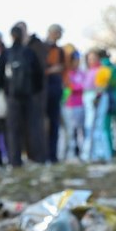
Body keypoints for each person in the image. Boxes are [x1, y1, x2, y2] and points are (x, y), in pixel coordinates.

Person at [0, 22, 47, 165]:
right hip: (29, 96)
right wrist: (34, 90)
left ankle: (14, 159)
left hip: (12, 97)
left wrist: (5, 90)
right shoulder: (29, 53)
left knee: (13, 129)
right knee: (32, 127)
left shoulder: (6, 53)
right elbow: (39, 75)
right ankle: (36, 157)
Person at [41, 24, 67, 161]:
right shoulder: (42, 47)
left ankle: (53, 154)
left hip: (56, 89)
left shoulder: (59, 50)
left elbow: (62, 67)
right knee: (43, 123)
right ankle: (43, 153)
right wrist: (51, 70)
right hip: (44, 89)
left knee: (54, 122)